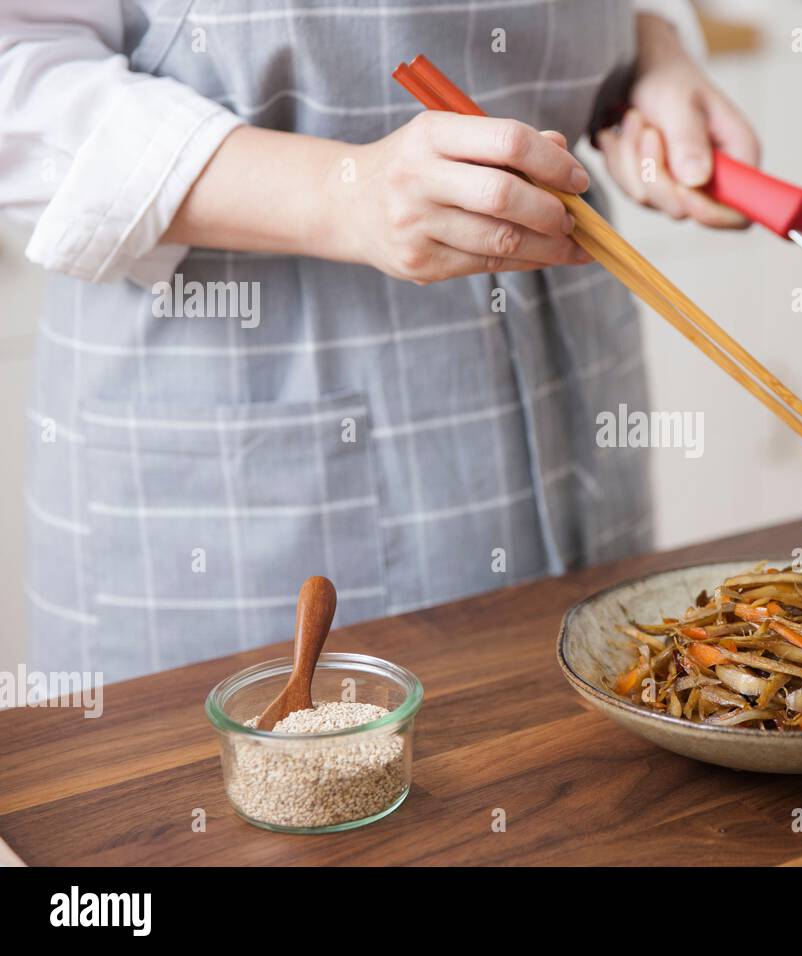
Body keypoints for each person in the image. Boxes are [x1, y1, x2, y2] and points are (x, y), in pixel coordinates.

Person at [0, 0, 759, 682]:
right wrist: (342, 193)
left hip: (569, 367)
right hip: (232, 377)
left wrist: (650, 44)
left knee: (587, 767)